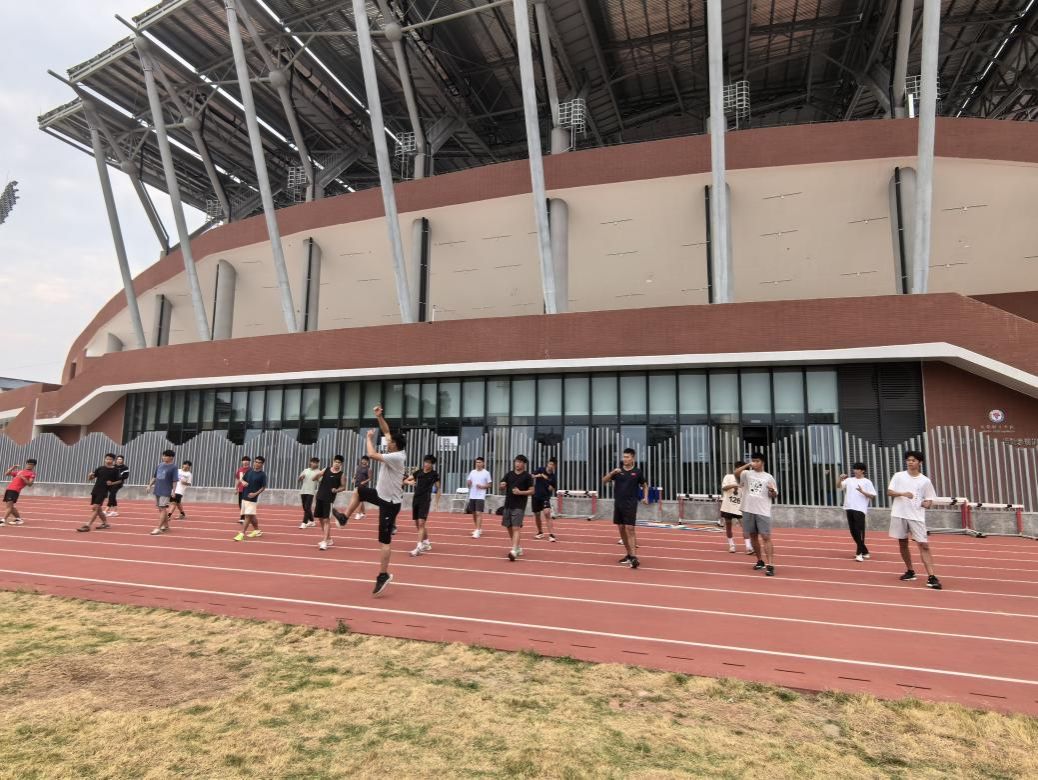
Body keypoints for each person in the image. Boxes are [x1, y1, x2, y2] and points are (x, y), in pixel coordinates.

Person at [335, 406, 406, 596]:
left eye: (390, 443)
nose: (388, 443)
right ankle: (344, 518)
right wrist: (379, 416)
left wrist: (368, 438)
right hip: (381, 495)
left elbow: (372, 455)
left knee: (384, 540)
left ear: (396, 446)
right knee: (359, 490)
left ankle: (383, 575)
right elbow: (386, 431)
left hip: (390, 503)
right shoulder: (394, 449)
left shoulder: (397, 457)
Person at [887, 450, 942, 589]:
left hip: (916, 516)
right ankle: (910, 571)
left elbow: (930, 498)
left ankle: (932, 577)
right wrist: (902, 493)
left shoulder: (925, 481)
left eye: (913, 460)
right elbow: (889, 492)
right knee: (902, 543)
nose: (910, 462)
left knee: (924, 545)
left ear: (920, 462)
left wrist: (928, 503)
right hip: (899, 514)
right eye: (908, 460)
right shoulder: (898, 476)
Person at [734, 453, 779, 577]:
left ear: (763, 462)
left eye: (757, 461)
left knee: (766, 536)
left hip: (762, 510)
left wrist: (772, 491)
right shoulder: (746, 474)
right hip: (748, 509)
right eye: (753, 460)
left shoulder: (769, 477)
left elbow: (774, 495)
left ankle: (770, 565)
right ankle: (760, 561)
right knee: (753, 536)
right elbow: (736, 473)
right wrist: (748, 464)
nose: (754, 463)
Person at [603, 448, 648, 569]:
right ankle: (629, 554)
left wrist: (645, 497)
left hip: (631, 504)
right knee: (621, 529)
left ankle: (634, 557)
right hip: (619, 504)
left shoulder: (637, 472)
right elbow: (604, 481)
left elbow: (644, 485)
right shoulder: (618, 471)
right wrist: (612, 472)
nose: (625, 459)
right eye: (624, 457)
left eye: (627, 457)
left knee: (630, 528)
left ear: (633, 458)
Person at [837, 462, 877, 561]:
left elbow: (872, 496)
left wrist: (862, 491)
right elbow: (838, 487)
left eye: (857, 469)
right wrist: (840, 479)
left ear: (862, 471)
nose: (855, 471)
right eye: (854, 469)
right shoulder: (849, 480)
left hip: (860, 508)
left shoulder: (867, 482)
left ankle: (859, 553)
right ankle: (865, 551)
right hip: (848, 507)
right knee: (853, 531)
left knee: (859, 531)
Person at [500, 455, 535, 561]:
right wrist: (502, 486)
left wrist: (520, 492)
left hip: (519, 506)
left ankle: (514, 550)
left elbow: (532, 491)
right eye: (516, 461)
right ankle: (518, 547)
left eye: (520, 462)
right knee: (508, 526)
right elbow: (501, 487)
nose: (517, 464)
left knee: (516, 527)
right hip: (508, 504)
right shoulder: (509, 474)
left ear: (524, 464)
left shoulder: (527, 476)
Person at [405, 455, 440, 557]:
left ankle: (418, 547)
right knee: (418, 524)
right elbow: (406, 480)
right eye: (425, 462)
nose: (426, 464)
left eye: (429, 463)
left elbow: (438, 489)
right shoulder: (418, 472)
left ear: (432, 464)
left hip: (425, 500)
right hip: (416, 499)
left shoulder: (434, 474)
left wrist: (436, 503)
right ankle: (426, 542)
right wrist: (409, 482)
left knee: (421, 523)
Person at [79, 454, 123, 532]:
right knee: (98, 509)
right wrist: (89, 475)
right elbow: (91, 478)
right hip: (95, 490)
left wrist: (112, 483)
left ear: (113, 460)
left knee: (95, 508)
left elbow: (120, 480)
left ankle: (87, 525)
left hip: (103, 491)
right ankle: (105, 523)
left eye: (110, 459)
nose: (108, 460)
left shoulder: (115, 470)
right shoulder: (100, 468)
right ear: (104, 459)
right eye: (107, 459)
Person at [720, 461, 752, 554]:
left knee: (745, 527)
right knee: (728, 526)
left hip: (740, 506)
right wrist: (735, 485)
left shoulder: (746, 480)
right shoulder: (728, 477)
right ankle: (731, 545)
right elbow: (724, 488)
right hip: (728, 505)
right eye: (739, 469)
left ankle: (748, 547)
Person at [315, 455, 347, 550]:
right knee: (320, 518)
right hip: (319, 497)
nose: (337, 464)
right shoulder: (326, 469)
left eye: (339, 462)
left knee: (326, 520)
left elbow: (343, 487)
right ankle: (328, 539)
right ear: (333, 461)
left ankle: (325, 541)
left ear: (341, 464)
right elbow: (315, 478)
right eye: (336, 462)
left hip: (329, 499)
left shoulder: (341, 474)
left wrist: (336, 490)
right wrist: (317, 475)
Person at [234, 456, 268, 541]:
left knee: (248, 516)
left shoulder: (262, 475)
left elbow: (263, 487)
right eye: (256, 462)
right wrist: (243, 482)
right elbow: (242, 479)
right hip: (244, 496)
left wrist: (255, 494)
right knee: (252, 516)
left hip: (252, 498)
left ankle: (242, 533)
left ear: (262, 464)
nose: (257, 464)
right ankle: (257, 531)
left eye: (259, 462)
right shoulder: (249, 471)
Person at [147, 450, 179, 536]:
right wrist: (149, 485)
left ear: (171, 457)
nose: (163, 457)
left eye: (165, 456)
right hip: (157, 489)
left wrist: (173, 491)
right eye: (163, 455)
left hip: (166, 490)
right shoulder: (160, 465)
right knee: (160, 509)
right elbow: (155, 477)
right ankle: (166, 526)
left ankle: (158, 528)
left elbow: (175, 480)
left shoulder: (174, 467)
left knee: (162, 508)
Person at [2, 459, 37, 526]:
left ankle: (3, 520)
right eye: (28, 464)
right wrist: (13, 468)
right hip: (9, 489)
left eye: (31, 464)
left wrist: (24, 478)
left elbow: (30, 484)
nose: (29, 465)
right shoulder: (20, 471)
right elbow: (7, 474)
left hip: (15, 490)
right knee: (10, 507)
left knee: (9, 506)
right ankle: (18, 519)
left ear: (34, 466)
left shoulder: (32, 473)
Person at [531, 457, 558, 542]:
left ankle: (551, 534)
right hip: (536, 496)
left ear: (555, 466)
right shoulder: (541, 469)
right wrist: (539, 475)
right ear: (547, 464)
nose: (551, 466)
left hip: (545, 497)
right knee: (537, 515)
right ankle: (540, 532)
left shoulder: (553, 477)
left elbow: (552, 488)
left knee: (547, 513)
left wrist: (548, 484)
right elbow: (531, 475)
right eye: (550, 464)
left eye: (553, 465)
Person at [466, 456, 492, 538]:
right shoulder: (472, 472)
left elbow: (490, 485)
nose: (478, 464)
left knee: (478, 513)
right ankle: (478, 528)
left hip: (480, 495)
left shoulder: (486, 473)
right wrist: (469, 483)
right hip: (472, 495)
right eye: (477, 462)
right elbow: (469, 483)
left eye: (479, 462)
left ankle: (477, 530)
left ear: (483, 463)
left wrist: (482, 486)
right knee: (473, 513)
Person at [298, 457, 321, 529]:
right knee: (305, 508)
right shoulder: (306, 470)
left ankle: (304, 523)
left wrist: (318, 478)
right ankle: (312, 521)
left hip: (311, 492)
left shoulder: (319, 472)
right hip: (303, 491)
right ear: (310, 462)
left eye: (316, 463)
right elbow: (299, 480)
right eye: (313, 462)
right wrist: (301, 477)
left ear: (318, 464)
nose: (315, 464)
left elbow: (321, 481)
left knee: (307, 507)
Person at [351, 456, 371, 521]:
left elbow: (370, 478)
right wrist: (353, 479)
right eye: (363, 460)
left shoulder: (368, 469)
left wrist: (364, 482)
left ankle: (358, 513)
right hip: (357, 484)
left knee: (359, 499)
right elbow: (355, 474)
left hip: (363, 486)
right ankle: (363, 513)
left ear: (367, 461)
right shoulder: (358, 467)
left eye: (365, 460)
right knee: (360, 499)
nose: (364, 461)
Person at [234, 456, 251, 525]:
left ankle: (245, 518)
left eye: (247, 460)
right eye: (244, 460)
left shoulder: (251, 470)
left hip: (248, 490)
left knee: (247, 504)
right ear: (242, 461)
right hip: (241, 489)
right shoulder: (240, 470)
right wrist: (236, 488)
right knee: (240, 504)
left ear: (249, 462)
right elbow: (238, 479)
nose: (245, 461)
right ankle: (242, 517)